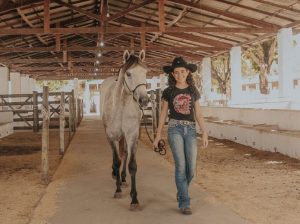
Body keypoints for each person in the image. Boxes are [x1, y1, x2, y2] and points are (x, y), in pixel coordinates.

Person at [153, 56, 208, 215]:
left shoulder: (192, 90)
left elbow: (198, 112)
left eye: (182, 71)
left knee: (191, 170)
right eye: (176, 72)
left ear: (187, 72)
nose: (179, 75)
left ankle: (181, 190)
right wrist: (158, 136)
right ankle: (184, 202)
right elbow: (163, 114)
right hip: (174, 129)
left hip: (190, 130)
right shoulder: (168, 91)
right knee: (181, 166)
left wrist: (204, 132)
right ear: (172, 74)